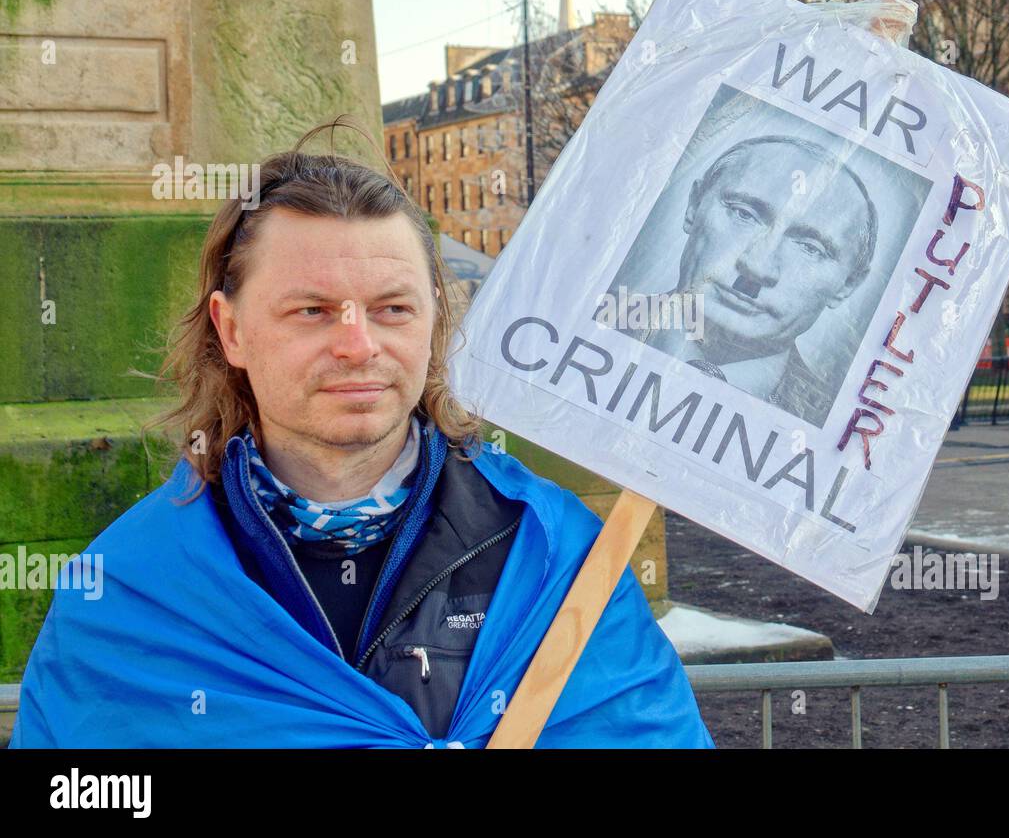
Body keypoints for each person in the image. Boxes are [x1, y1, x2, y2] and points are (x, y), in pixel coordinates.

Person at [9, 118, 713, 749]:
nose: (358, 345)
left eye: (392, 309)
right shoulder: (133, 586)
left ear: (433, 321)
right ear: (232, 330)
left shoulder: (554, 554)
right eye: (313, 311)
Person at [634, 134, 877, 426]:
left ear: (848, 285)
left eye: (810, 248)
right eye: (744, 214)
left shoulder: (838, 426)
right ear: (694, 206)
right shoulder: (588, 312)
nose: (757, 267)